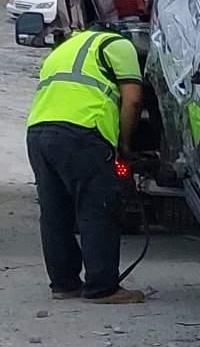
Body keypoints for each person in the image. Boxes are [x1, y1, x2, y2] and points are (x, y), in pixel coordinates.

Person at [24, 26, 147, 304]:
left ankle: (64, 283)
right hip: (83, 132)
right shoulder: (119, 45)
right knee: (97, 207)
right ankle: (102, 287)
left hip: (39, 133)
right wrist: (125, 144)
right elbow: (133, 99)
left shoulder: (64, 49)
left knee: (55, 211)